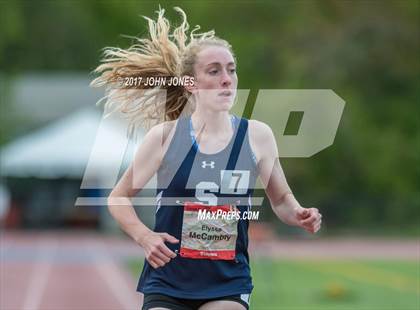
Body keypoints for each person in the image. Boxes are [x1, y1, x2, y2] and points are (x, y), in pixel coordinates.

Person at [91, 7, 322, 310]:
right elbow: (118, 198)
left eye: (231, 69)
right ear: (191, 84)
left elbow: (281, 200)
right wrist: (144, 236)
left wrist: (299, 213)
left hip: (227, 281)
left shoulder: (257, 136)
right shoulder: (165, 137)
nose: (227, 79)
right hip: (168, 279)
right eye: (214, 71)